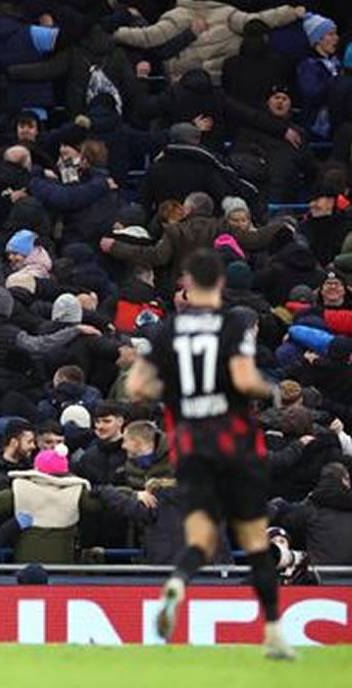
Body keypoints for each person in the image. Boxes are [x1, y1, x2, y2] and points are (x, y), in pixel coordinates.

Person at [126, 249, 294, 659]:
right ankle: (273, 632)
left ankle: (179, 582)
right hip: (233, 440)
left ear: (185, 284)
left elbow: (135, 387)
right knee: (254, 539)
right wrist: (268, 390)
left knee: (201, 534)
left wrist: (178, 395)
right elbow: (242, 378)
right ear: (220, 283)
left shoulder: (168, 331)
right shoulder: (233, 323)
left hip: (189, 443)